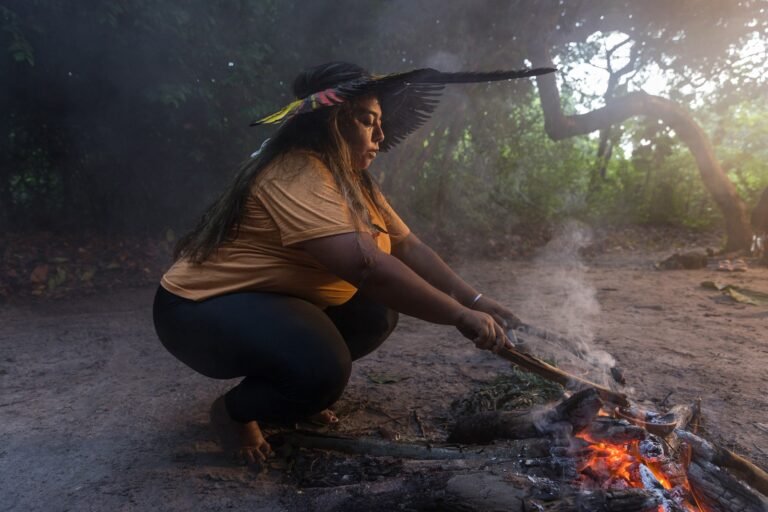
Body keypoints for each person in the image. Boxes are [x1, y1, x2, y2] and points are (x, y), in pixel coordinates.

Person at [153, 62, 550, 464]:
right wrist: (459, 316)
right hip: (197, 312)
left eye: (380, 123)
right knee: (321, 370)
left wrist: (477, 300)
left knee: (375, 314)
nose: (381, 134)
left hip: (267, 302)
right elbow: (365, 266)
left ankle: (289, 394)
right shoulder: (295, 172)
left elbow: (408, 247)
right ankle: (235, 412)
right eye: (367, 120)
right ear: (333, 120)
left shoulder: (353, 180)